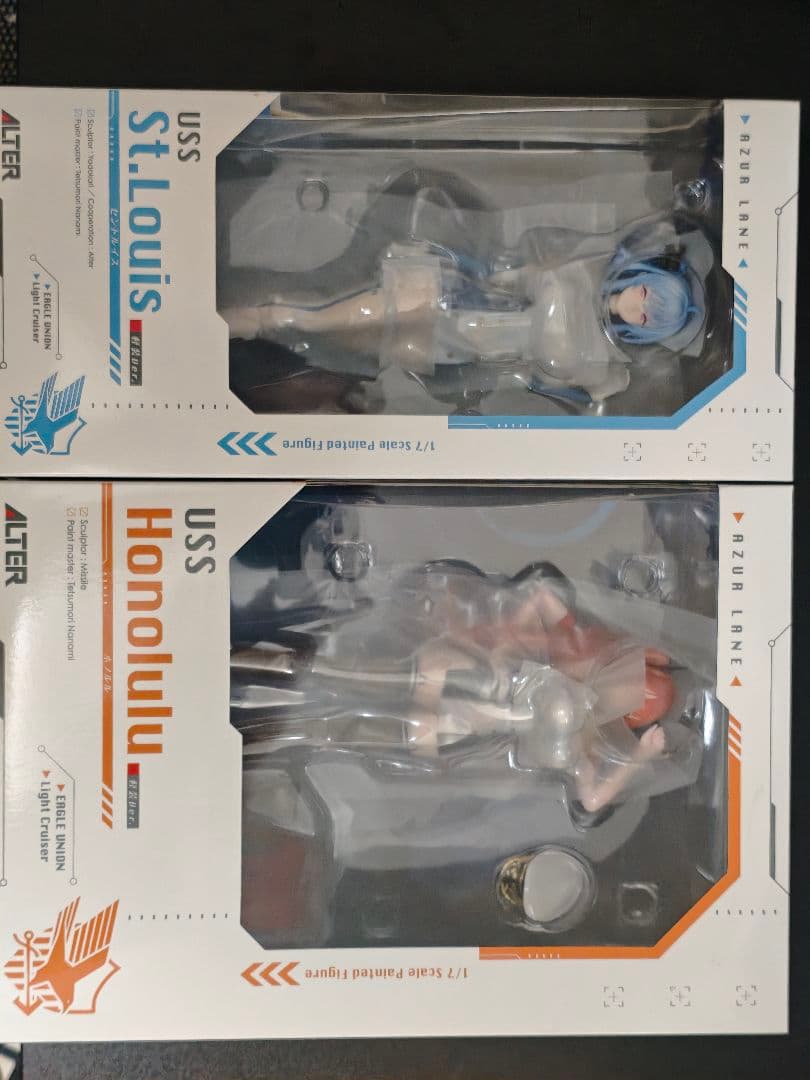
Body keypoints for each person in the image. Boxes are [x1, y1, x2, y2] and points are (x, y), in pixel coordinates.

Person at [220, 167, 711, 408]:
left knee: (349, 352)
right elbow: (518, 271)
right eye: (646, 296)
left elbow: (588, 396)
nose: (638, 305)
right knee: (343, 317)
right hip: (452, 294)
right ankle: (267, 319)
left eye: (647, 316)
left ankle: (269, 341)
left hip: (455, 349)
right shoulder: (580, 275)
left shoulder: (602, 366)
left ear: (646, 330)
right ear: (641, 280)